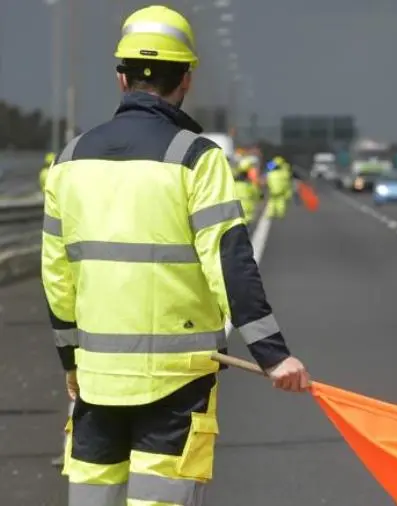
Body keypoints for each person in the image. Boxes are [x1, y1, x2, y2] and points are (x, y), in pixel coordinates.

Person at [41, 6, 310, 505]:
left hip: (97, 381)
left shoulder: (69, 161)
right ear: (186, 79)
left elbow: (58, 279)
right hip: (177, 382)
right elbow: (228, 261)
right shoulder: (194, 158)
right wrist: (272, 355)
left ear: (121, 78)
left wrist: (69, 363)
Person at [234, 157, 260, 224]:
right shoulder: (249, 184)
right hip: (247, 209)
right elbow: (256, 194)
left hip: (235, 209)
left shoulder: (233, 183)